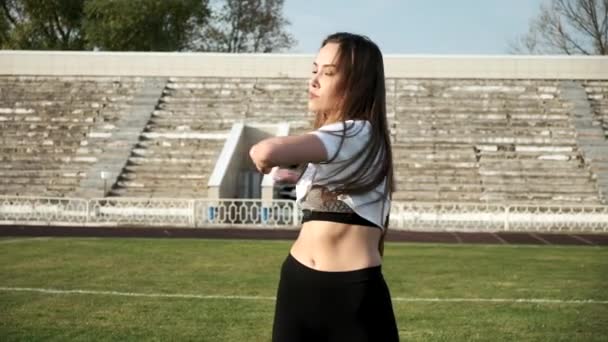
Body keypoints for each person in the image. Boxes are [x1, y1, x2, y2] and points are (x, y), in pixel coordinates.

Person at [249, 32, 399, 342]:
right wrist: (298, 177)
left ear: (356, 83)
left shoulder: (358, 132)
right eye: (314, 69)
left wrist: (267, 162)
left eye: (328, 73)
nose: (315, 80)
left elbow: (264, 151)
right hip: (298, 283)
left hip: (351, 295)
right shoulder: (340, 141)